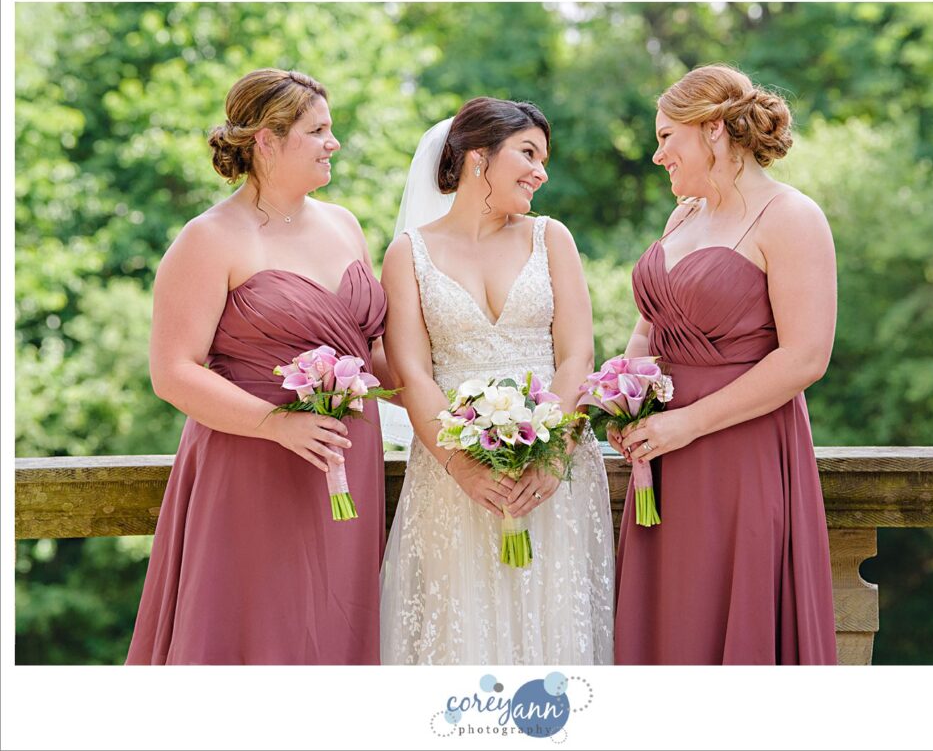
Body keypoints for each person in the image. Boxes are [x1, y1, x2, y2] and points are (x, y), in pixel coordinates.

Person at [126, 68, 391, 664]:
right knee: (255, 627)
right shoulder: (209, 238)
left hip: (348, 462)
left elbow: (370, 350)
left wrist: (463, 398)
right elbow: (173, 371)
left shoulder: (344, 223)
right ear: (266, 142)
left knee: (335, 628)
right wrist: (277, 424)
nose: (334, 142)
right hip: (253, 463)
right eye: (318, 130)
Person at [609, 64, 839, 664]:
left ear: (712, 129)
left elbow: (806, 356)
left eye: (666, 137)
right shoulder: (683, 215)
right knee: (669, 624)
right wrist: (622, 394)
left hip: (740, 453)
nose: (658, 154)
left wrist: (685, 423)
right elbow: (649, 328)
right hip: (660, 454)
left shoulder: (791, 217)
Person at [379, 98, 614, 664]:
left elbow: (576, 353)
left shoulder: (550, 237)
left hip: (551, 472)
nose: (542, 171)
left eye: (544, 158)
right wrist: (460, 465)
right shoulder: (408, 254)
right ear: (479, 157)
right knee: (461, 634)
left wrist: (551, 456)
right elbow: (411, 372)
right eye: (528, 153)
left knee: (552, 628)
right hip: (449, 473)